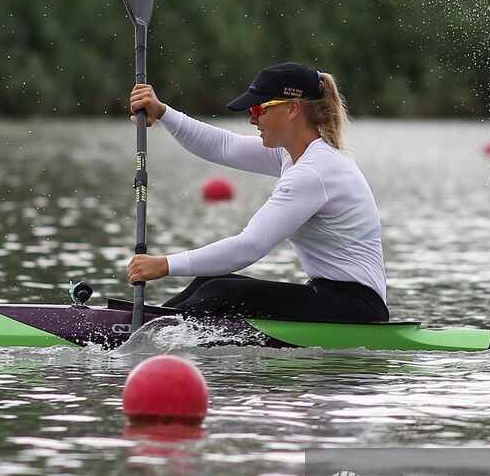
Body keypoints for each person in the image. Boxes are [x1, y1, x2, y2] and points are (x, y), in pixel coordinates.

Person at [126, 62, 388, 323]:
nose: (252, 118)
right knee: (209, 280)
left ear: (292, 109)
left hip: (357, 308)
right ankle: (144, 324)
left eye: (258, 108)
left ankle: (137, 330)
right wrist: (162, 113)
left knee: (219, 291)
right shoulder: (295, 153)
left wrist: (164, 265)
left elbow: (249, 246)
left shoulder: (314, 172)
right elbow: (223, 146)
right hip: (331, 295)